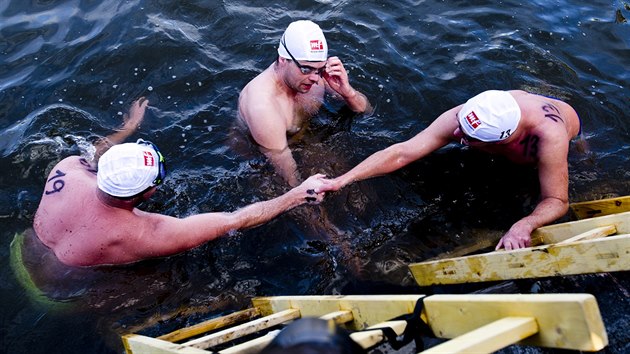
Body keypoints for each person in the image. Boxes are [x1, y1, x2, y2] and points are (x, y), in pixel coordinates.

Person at [32, 98, 326, 267]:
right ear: (148, 193)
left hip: (23, 252)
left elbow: (95, 150)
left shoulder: (68, 169)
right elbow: (233, 220)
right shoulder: (143, 233)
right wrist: (297, 195)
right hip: (60, 292)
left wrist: (127, 127)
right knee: (166, 284)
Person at [318, 90, 582, 250]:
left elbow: (557, 200)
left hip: (562, 132)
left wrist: (525, 225)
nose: (456, 133)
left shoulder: (550, 139)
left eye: (467, 137)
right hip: (511, 131)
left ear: (500, 141)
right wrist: (343, 180)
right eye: (461, 126)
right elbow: (402, 153)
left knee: (577, 165)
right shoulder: (472, 113)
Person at [238, 20, 372, 187]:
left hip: (304, 139)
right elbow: (290, 180)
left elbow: (366, 112)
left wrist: (347, 92)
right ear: (282, 60)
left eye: (320, 69)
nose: (315, 78)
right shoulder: (262, 106)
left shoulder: (314, 74)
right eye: (306, 69)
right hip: (262, 157)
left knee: (357, 182)